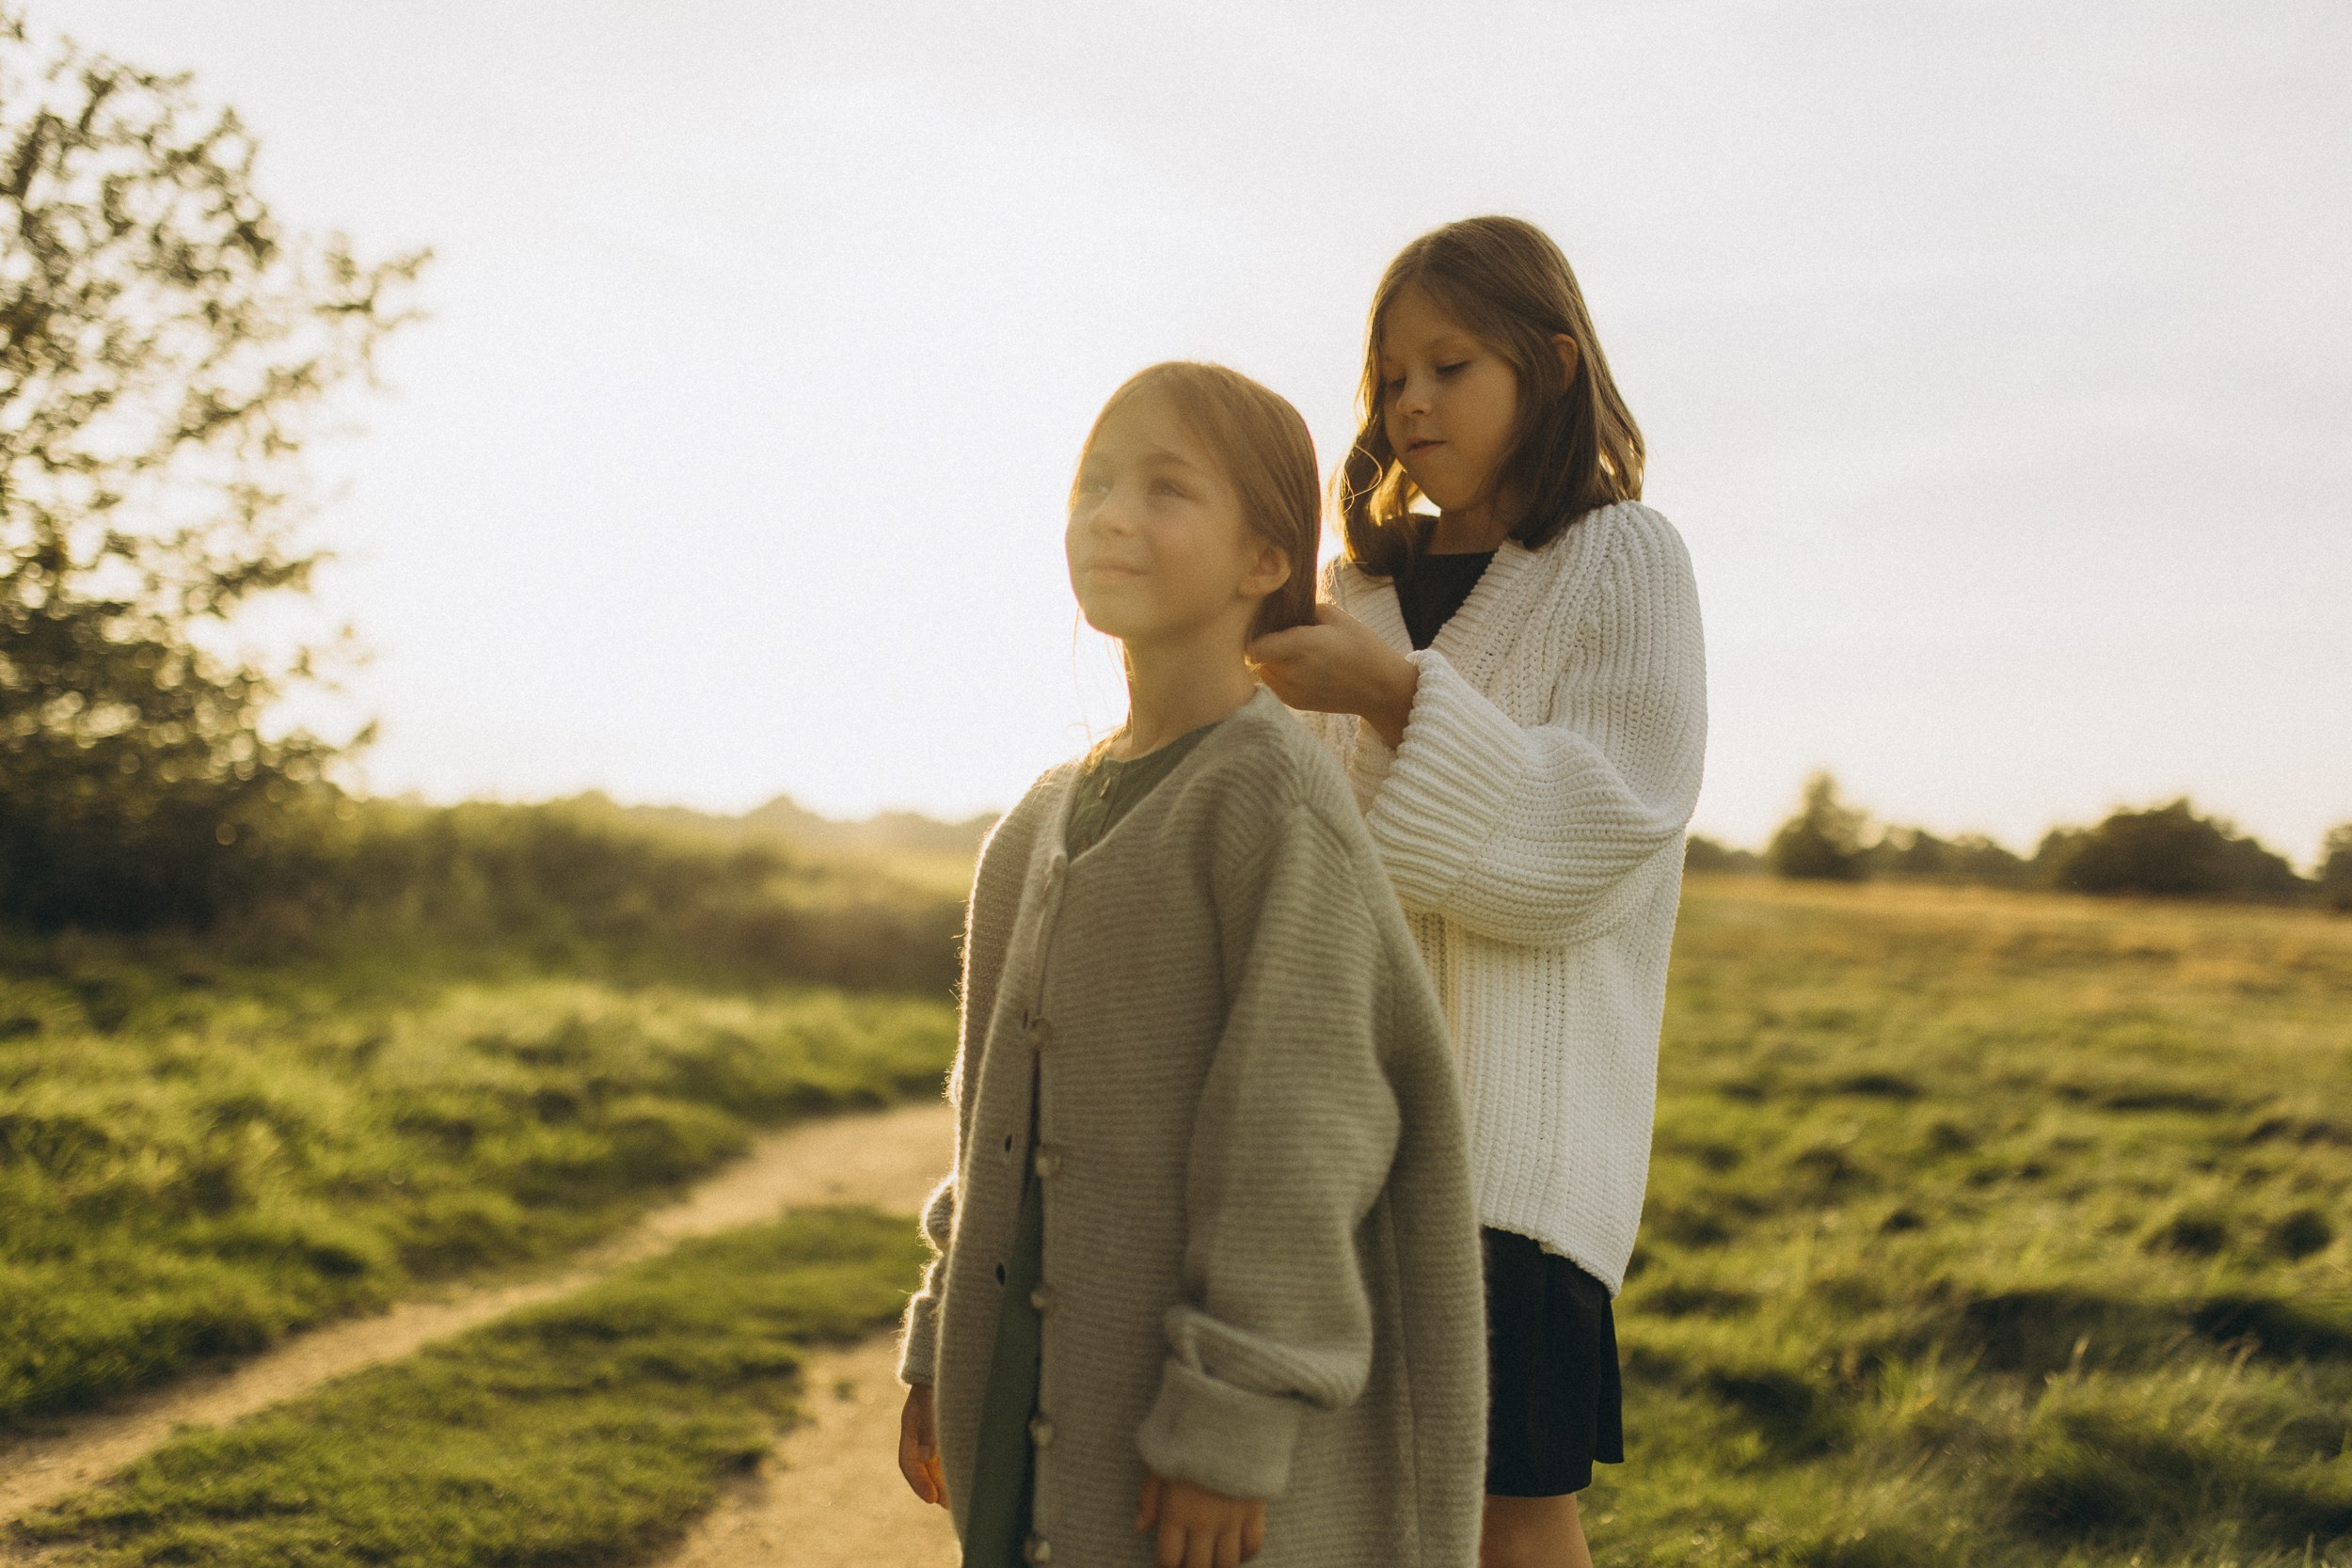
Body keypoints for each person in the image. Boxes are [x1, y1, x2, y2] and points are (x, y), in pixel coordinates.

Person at [896, 361, 1487, 1568]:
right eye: (1094, 483)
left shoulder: (1270, 799)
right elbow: (985, 1133)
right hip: (1018, 1408)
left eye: (1165, 488)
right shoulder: (1037, 819)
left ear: (1265, 558)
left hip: (1175, 1451)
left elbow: (1300, 1135)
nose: (1111, 514)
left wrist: (1229, 1416)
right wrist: (940, 1346)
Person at [1250, 216, 1708, 1568]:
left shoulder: (1625, 560)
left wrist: (1395, 699)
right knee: (1322, 1506)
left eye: (1449, 367)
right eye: (1392, 376)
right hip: (1333, 1138)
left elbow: (1605, 827)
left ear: (1552, 366)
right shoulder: (1353, 589)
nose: (1411, 403)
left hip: (1512, 1152)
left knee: (1506, 1513)